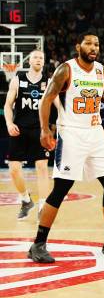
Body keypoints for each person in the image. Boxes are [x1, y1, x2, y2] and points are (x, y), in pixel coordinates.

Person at [27, 32, 104, 263]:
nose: (93, 47)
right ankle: (38, 244)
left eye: (96, 43)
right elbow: (47, 99)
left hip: (96, 133)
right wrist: (45, 129)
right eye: (88, 43)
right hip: (71, 134)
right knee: (61, 188)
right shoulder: (66, 69)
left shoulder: (103, 72)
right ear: (79, 46)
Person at [4, 49, 50, 220]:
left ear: (44, 62)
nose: (38, 59)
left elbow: (59, 106)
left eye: (41, 58)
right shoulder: (17, 80)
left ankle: (43, 207)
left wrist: (62, 125)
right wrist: (9, 123)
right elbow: (8, 105)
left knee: (42, 168)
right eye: (35, 57)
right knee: (14, 170)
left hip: (40, 130)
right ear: (29, 61)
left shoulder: (49, 81)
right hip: (19, 129)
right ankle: (26, 200)